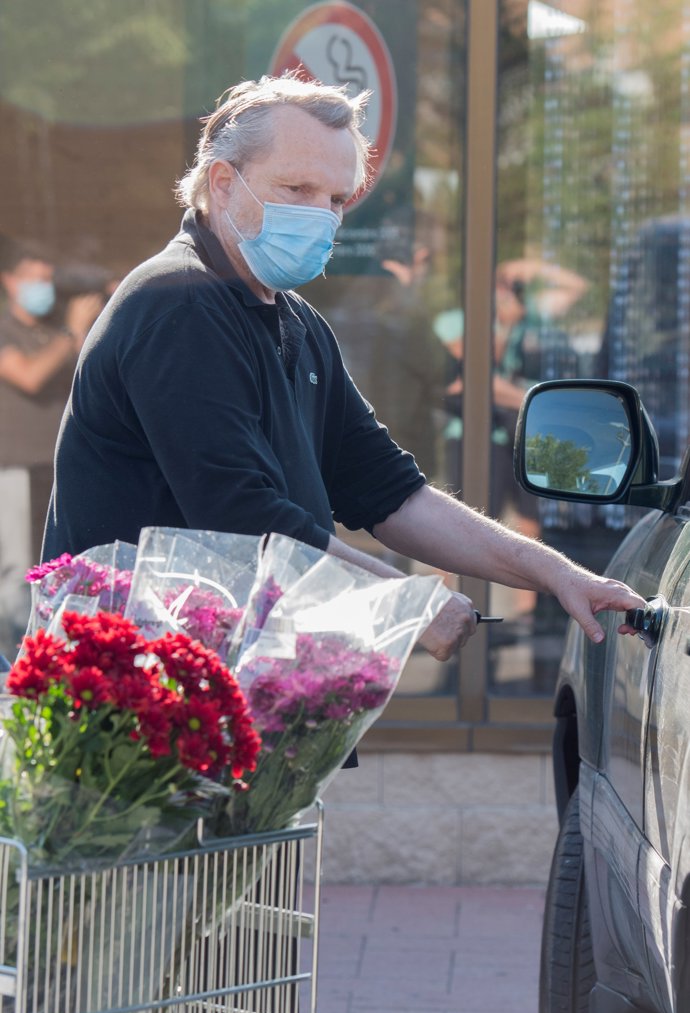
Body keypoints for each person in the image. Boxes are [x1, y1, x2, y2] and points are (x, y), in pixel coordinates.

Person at [43, 74, 644, 663]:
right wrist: (401, 603)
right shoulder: (178, 303)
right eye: (297, 188)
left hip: (246, 700)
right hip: (135, 704)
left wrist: (558, 574)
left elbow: (391, 493)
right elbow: (242, 520)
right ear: (223, 183)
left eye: (334, 199)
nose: (320, 216)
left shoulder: (296, 321)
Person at [0, 238, 103, 658]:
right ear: (9, 281)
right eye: (34, 280)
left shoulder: (49, 330)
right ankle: (13, 662)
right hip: (19, 468)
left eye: (48, 280)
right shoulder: (7, 329)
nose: (43, 288)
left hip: (59, 468)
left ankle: (47, 652)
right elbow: (27, 375)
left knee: (52, 567)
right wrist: (72, 331)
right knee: (15, 573)